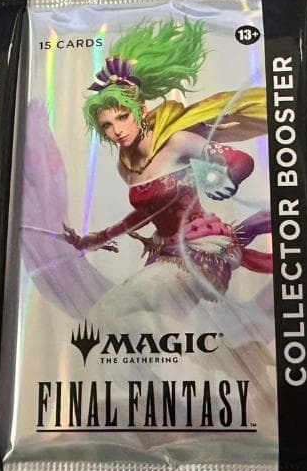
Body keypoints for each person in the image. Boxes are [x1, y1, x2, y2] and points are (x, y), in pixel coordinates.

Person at [61, 19, 272, 324]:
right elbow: (145, 213)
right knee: (153, 328)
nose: (117, 130)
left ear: (141, 111)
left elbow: (240, 160)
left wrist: (224, 179)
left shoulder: (176, 142)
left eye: (122, 117)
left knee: (107, 312)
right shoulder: (126, 165)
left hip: (201, 251)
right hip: (166, 253)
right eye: (107, 125)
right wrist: (95, 238)